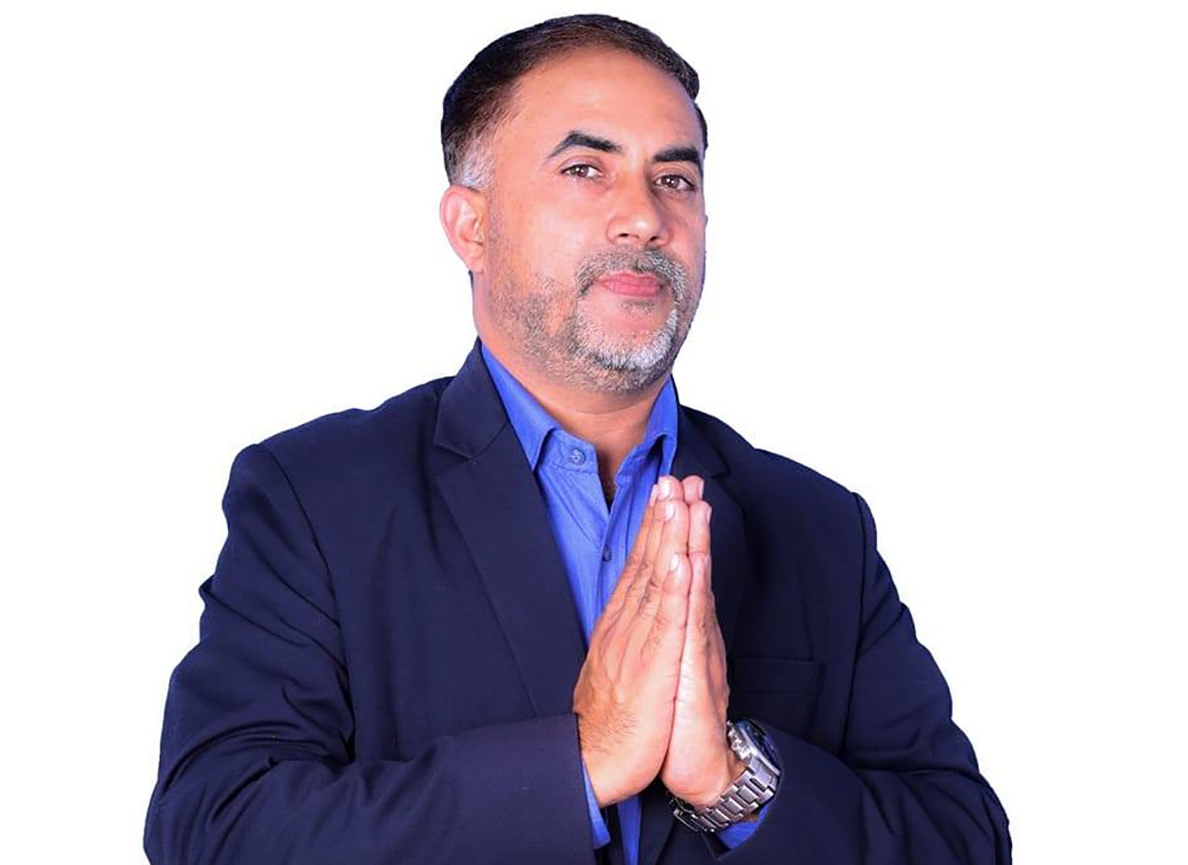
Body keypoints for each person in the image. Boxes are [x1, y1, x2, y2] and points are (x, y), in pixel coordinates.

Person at [145, 14, 1010, 864]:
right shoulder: (318, 496)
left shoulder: (818, 524)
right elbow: (218, 826)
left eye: (675, 178)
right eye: (586, 169)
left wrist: (733, 778)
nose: (644, 217)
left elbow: (964, 838)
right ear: (471, 226)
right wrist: (579, 767)